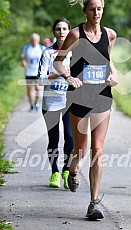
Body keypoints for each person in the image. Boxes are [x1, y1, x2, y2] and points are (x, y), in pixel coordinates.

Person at [53, 0, 118, 220]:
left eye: (100, 9)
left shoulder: (110, 34)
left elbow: (109, 62)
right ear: (85, 11)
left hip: (102, 96)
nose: (97, 13)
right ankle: (72, 169)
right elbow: (58, 62)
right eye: (92, 10)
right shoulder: (75, 35)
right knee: (80, 149)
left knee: (97, 149)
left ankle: (93, 202)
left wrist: (115, 75)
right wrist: (68, 76)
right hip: (79, 96)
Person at [38, 18, 74, 189]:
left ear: (69, 31)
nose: (61, 32)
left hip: (69, 100)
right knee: (54, 139)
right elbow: (40, 80)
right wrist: (59, 74)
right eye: (58, 29)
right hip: (50, 102)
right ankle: (55, 172)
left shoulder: (74, 52)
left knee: (70, 136)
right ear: (53, 32)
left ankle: (67, 170)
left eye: (65, 29)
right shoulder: (47, 53)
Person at [21, 33, 46, 111]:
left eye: (35, 40)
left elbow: (46, 59)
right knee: (29, 89)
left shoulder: (42, 48)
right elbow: (23, 59)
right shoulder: (26, 48)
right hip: (29, 72)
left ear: (38, 40)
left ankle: (37, 103)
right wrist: (24, 63)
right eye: (33, 40)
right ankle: (31, 105)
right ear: (31, 40)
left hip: (38, 72)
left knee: (38, 88)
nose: (34, 41)